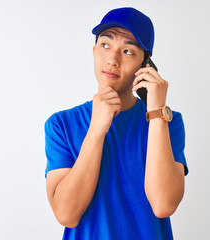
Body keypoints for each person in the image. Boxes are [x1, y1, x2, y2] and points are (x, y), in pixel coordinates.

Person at [44, 7, 188, 240]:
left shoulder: (168, 122)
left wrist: (157, 112)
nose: (112, 59)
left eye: (128, 51)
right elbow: (66, 214)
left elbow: (163, 205)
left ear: (146, 65)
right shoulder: (61, 125)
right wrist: (96, 130)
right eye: (105, 45)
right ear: (93, 51)